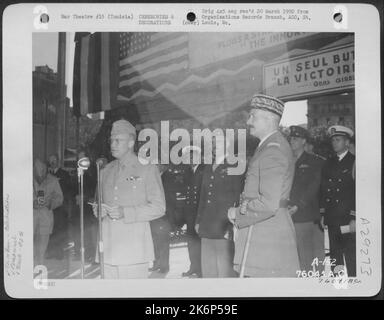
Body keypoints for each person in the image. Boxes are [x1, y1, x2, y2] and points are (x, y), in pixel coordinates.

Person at [228, 93, 300, 277]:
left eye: (253, 116)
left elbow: (268, 204)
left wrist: (236, 214)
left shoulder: (272, 150)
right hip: (262, 230)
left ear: (268, 119)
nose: (249, 121)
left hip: (266, 234)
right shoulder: (269, 146)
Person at [92, 119, 166, 279]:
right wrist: (99, 210)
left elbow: (159, 207)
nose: (113, 144)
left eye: (118, 140)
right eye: (111, 140)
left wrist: (125, 212)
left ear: (131, 142)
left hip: (134, 250)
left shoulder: (147, 168)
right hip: (108, 248)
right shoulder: (106, 171)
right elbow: (99, 204)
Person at [196, 133, 243, 278]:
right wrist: (198, 220)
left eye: (219, 143)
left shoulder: (234, 165)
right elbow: (203, 197)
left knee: (224, 271)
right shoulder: (208, 166)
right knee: (209, 271)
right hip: (206, 225)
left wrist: (232, 224)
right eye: (214, 143)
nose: (215, 146)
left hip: (224, 225)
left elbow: (237, 196)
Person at [288, 125, 325, 273]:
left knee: (315, 259)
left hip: (308, 216)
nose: (292, 141)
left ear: (304, 141)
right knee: (300, 261)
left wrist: (298, 205)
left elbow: (313, 188)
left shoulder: (315, 162)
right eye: (291, 138)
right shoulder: (287, 162)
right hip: (291, 215)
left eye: (296, 139)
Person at [320, 125, 356, 277]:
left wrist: (354, 217)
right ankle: (338, 288)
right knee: (335, 257)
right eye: (333, 140)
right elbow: (323, 190)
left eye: (338, 140)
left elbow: (357, 192)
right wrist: (322, 214)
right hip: (333, 217)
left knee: (351, 256)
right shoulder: (328, 163)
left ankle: (357, 288)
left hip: (348, 218)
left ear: (347, 142)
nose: (335, 143)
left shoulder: (354, 161)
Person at [33, 158, 63, 266]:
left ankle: (39, 269)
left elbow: (59, 198)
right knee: (29, 247)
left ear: (46, 168)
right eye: (37, 168)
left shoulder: (53, 180)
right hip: (29, 219)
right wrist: (31, 203)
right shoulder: (26, 179)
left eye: (42, 168)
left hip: (45, 219)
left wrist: (50, 203)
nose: (40, 171)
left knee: (41, 249)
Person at [182, 146, 205, 278]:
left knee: (200, 242)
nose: (191, 159)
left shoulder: (204, 170)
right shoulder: (188, 172)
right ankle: (193, 267)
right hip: (190, 215)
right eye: (189, 157)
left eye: (194, 156)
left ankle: (201, 269)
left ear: (200, 157)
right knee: (191, 242)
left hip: (200, 214)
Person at [46, 154, 72, 260]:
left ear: (58, 161)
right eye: (51, 160)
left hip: (61, 207)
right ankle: (51, 252)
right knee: (49, 229)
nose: (53, 162)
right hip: (49, 207)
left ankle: (59, 253)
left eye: (54, 160)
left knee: (60, 229)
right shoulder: (46, 174)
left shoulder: (64, 174)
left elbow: (69, 190)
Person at [73, 150, 98, 263]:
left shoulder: (93, 172)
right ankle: (78, 252)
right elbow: (71, 188)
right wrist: (75, 197)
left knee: (89, 231)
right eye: (79, 158)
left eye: (84, 158)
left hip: (88, 207)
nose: (81, 161)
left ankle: (90, 253)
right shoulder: (75, 172)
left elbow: (95, 189)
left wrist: (85, 197)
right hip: (77, 208)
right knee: (77, 230)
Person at [149, 164, 172, 274]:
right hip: (153, 216)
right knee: (155, 241)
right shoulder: (153, 177)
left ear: (163, 166)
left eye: (158, 164)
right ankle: (156, 264)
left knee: (163, 242)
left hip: (164, 216)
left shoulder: (168, 177)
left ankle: (164, 266)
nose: (155, 166)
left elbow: (170, 199)